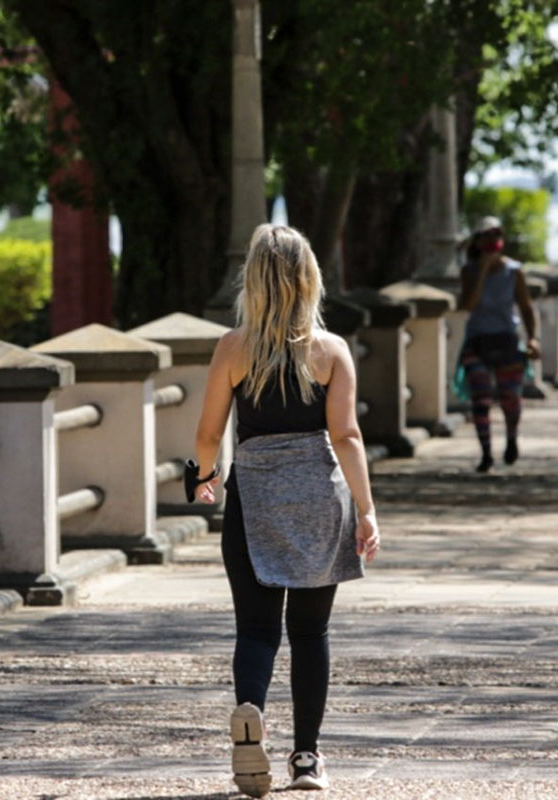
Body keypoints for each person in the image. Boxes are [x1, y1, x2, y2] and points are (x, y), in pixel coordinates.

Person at [193, 224, 380, 797]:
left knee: (255, 628)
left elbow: (208, 434)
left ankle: (250, 712)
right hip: (319, 498)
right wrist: (367, 510)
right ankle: (306, 758)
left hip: (254, 499)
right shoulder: (331, 351)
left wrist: (204, 476)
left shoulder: (233, 348)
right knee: (310, 631)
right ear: (309, 280)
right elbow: (346, 436)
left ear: (252, 280)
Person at [457, 216, 540, 473]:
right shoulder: (469, 271)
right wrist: (482, 270)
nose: (493, 240)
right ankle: (486, 452)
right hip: (478, 341)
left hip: (507, 340)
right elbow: (469, 305)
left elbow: (526, 307)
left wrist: (533, 338)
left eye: (497, 235)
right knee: (481, 400)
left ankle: (512, 438)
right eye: (487, 236)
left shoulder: (514, 272)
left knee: (510, 398)